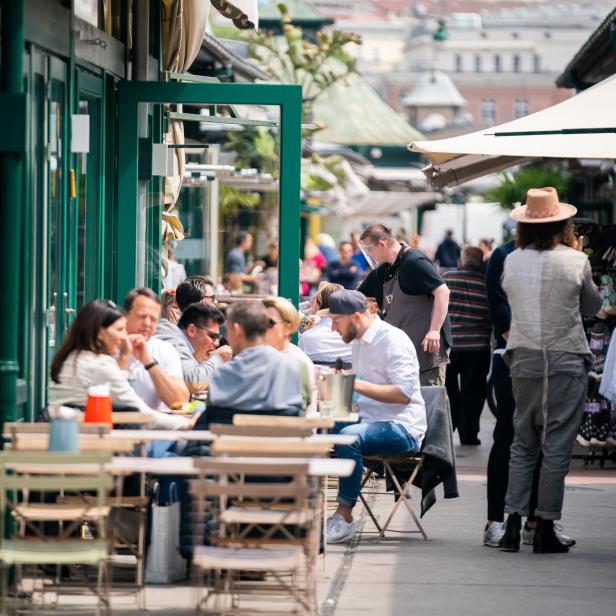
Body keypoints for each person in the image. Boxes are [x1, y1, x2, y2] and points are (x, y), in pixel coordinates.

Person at [499, 187, 602, 554]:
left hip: (524, 355)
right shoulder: (575, 261)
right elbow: (591, 306)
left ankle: (511, 523)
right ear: (565, 224)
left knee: (523, 442)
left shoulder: (513, 260)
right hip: (565, 356)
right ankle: (543, 525)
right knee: (556, 445)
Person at [320, 290, 426, 543]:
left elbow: (403, 394)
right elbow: (366, 393)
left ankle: (344, 516)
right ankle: (303, 505)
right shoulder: (359, 340)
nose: (333, 328)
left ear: (355, 317)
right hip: (370, 420)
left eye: (336, 321)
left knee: (348, 437)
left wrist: (352, 383)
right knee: (318, 426)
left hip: (402, 428)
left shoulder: (392, 340)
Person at [48, 299, 190, 430]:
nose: (124, 336)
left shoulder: (69, 358)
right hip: (90, 445)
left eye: (154, 319)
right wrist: (187, 423)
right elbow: (142, 415)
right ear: (100, 333)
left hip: (68, 437)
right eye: (119, 329)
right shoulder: (100, 365)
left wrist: (123, 358)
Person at [357, 223, 452, 386]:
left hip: (425, 350)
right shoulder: (383, 271)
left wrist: (434, 330)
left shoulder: (414, 261)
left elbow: (442, 292)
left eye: (368, 249)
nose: (368, 254)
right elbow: (357, 297)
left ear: (381, 244)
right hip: (402, 353)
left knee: (429, 403)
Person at [207, 301, 304, 414]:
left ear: (237, 330)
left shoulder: (220, 376)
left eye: (228, 329)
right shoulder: (295, 367)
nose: (226, 336)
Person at [443, 247, 492, 445]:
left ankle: (447, 432)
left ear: (461, 260)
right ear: (481, 263)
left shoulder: (446, 279)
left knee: (448, 392)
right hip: (478, 347)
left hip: (450, 346)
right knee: (474, 392)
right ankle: (469, 434)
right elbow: (491, 315)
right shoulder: (486, 284)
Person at [157, 278, 232, 393]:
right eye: (212, 298)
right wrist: (217, 358)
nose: (216, 302)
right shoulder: (171, 334)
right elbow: (192, 381)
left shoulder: (181, 333)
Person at [121, 288, 189, 411]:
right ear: (125, 316)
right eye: (142, 316)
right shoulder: (108, 345)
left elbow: (180, 402)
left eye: (153, 319)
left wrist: (150, 363)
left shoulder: (165, 350)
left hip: (153, 428)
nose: (147, 323)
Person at [263, 296, 317, 414]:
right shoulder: (255, 356)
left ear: (288, 327)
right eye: (259, 321)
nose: (261, 327)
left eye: (269, 322)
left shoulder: (298, 361)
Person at [299, 283, 353, 367]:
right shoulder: (355, 338)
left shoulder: (306, 337)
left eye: (315, 299)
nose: (311, 301)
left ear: (318, 303)